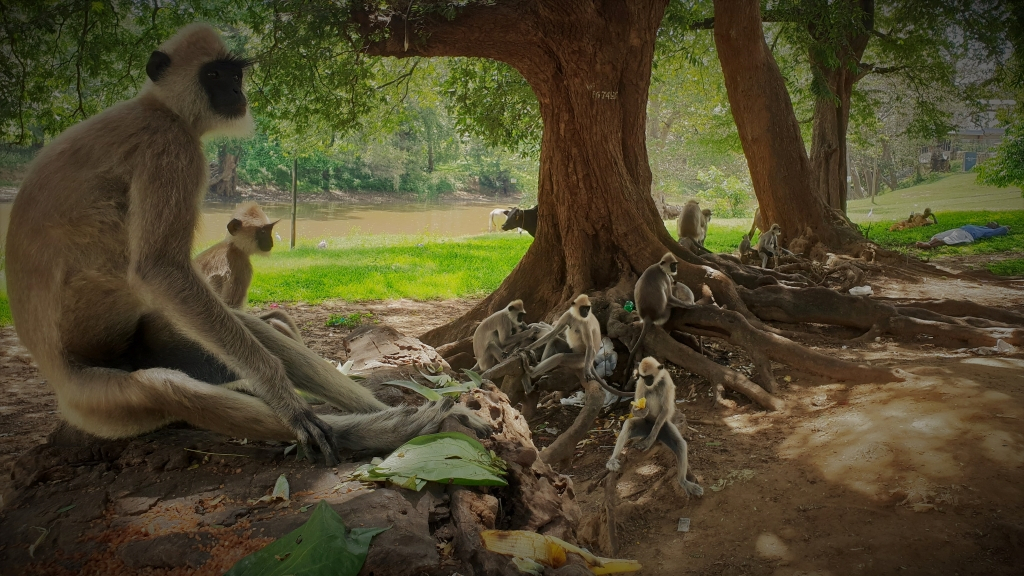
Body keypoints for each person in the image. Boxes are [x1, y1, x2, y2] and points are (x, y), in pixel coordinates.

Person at [915, 221, 1011, 249]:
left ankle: (932, 245)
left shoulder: (988, 231)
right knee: (940, 235)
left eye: (993, 223)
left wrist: (1004, 227)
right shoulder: (981, 226)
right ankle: (928, 243)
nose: (991, 222)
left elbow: (1004, 229)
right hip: (960, 229)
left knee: (951, 239)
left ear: (995, 227)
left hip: (967, 234)